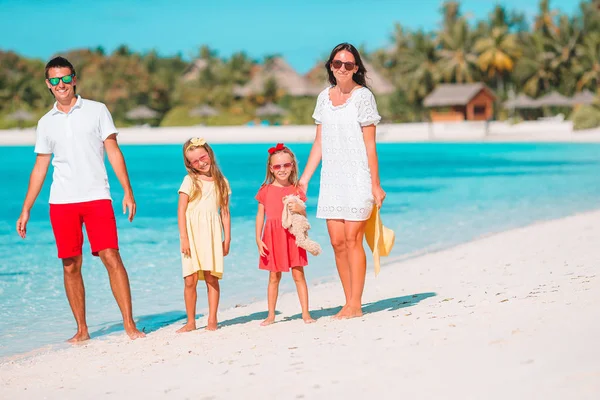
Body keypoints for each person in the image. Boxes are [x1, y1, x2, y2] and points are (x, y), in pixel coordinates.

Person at [16, 56, 145, 341]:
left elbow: (112, 150)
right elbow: (40, 168)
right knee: (70, 264)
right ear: (48, 85)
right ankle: (82, 330)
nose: (60, 84)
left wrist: (127, 190)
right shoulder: (45, 123)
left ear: (74, 79)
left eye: (65, 78)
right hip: (61, 202)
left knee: (111, 256)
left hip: (97, 197)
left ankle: (129, 325)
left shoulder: (97, 111)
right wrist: (26, 209)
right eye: (54, 80)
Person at [298, 43, 386, 319]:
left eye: (349, 65)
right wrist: (303, 180)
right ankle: (347, 301)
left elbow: (370, 145)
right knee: (337, 242)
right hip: (332, 179)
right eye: (338, 63)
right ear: (330, 66)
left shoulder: (363, 98)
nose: (343, 69)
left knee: (352, 239)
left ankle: (356, 305)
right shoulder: (324, 97)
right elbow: (319, 142)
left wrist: (375, 184)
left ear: (356, 68)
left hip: (358, 176)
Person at [255, 143, 316, 326]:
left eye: (286, 165)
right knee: (274, 276)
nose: (282, 169)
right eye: (277, 166)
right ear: (271, 169)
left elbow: (304, 215)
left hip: (292, 236)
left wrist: (300, 209)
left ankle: (305, 313)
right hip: (272, 236)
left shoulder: (297, 189)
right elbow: (260, 215)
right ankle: (271, 315)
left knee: (299, 275)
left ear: (292, 166)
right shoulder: (265, 190)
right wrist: (258, 238)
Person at [177, 138, 231, 332]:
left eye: (203, 157)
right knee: (189, 279)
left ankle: (212, 319)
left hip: (212, 235)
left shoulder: (222, 182)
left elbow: (224, 212)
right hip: (191, 235)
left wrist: (227, 239)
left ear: (209, 154)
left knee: (211, 278)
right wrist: (184, 237)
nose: (201, 163)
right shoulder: (190, 180)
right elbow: (181, 210)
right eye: (195, 161)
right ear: (189, 164)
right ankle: (191, 322)